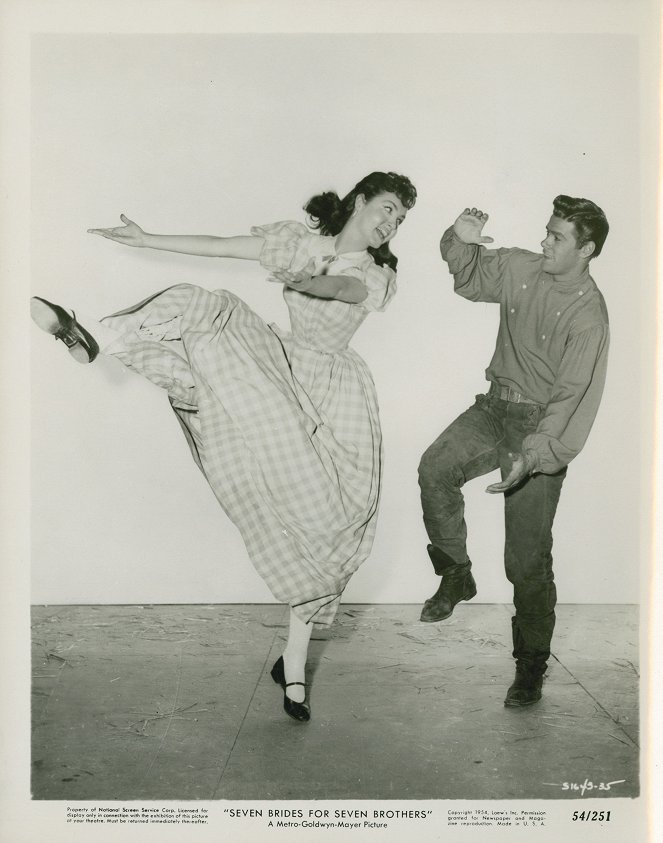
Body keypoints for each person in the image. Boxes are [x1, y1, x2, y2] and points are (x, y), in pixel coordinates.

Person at [31, 171, 417, 722]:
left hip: (332, 394)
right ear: (359, 201)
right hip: (280, 367)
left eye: (399, 218)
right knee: (208, 307)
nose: (390, 223)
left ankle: (296, 664)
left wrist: (303, 278)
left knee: (323, 523)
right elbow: (221, 247)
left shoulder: (376, 276)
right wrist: (149, 239)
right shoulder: (299, 242)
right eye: (386, 208)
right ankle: (97, 338)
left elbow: (339, 289)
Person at [418, 197, 609, 707]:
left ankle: (530, 667)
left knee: (525, 561)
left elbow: (571, 397)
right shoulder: (524, 266)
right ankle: (456, 574)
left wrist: (537, 452)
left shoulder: (589, 315)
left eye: (558, 238)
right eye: (547, 232)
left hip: (538, 427)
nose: (545, 241)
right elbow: (472, 277)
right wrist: (459, 238)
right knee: (435, 467)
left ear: (586, 250)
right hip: (494, 408)